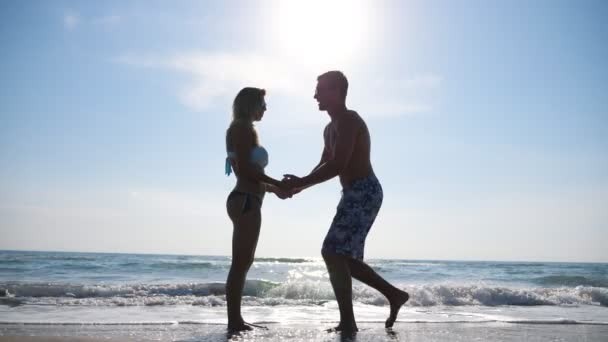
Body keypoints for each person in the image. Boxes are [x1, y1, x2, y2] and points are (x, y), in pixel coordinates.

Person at [282, 71, 410, 333]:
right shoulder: (329, 128)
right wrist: (298, 185)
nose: (315, 95)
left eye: (320, 89)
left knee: (332, 252)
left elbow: (338, 164)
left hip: (365, 191)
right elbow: (325, 163)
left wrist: (303, 181)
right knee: (342, 258)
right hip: (352, 193)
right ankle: (393, 295)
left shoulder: (350, 120)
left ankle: (350, 322)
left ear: (337, 91)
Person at [224, 87, 290, 332]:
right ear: (250, 104)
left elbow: (254, 175)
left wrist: (275, 190)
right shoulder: (242, 129)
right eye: (262, 103)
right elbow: (246, 171)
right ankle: (234, 321)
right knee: (240, 264)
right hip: (246, 200)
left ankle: (236, 320)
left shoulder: (242, 129)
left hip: (248, 198)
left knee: (243, 263)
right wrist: (277, 184)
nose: (265, 108)